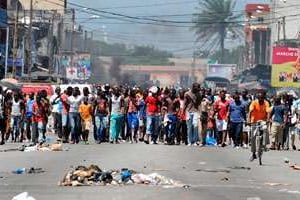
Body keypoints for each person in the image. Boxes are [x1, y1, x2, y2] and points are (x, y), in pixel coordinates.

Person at [248, 91, 270, 161]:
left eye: (262, 98)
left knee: (265, 128)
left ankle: (264, 145)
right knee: (253, 137)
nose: (261, 99)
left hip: (263, 120)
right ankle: (253, 153)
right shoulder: (254, 102)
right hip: (254, 121)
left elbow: (268, 112)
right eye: (259, 98)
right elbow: (250, 111)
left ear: (264, 98)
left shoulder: (266, 103)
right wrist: (248, 120)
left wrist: (268, 119)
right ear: (257, 98)